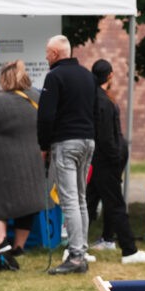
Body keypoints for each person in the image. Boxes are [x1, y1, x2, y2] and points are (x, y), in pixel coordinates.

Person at [0, 60, 47, 256]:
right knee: (27, 201)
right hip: (31, 159)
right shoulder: (36, 98)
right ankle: (19, 246)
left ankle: (0, 241)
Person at [86, 59, 145, 264]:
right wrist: (116, 160)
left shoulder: (91, 99)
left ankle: (75, 247)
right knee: (115, 204)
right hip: (106, 161)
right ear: (110, 76)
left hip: (95, 159)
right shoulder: (105, 102)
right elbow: (108, 138)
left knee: (89, 205)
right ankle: (129, 250)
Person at [38, 35, 97, 274]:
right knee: (81, 198)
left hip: (66, 141)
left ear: (55, 54)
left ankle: (74, 256)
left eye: (47, 53)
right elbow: (96, 110)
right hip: (88, 140)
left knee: (69, 199)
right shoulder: (87, 75)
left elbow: (45, 115)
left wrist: (44, 145)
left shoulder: (54, 76)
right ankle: (81, 251)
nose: (45, 57)